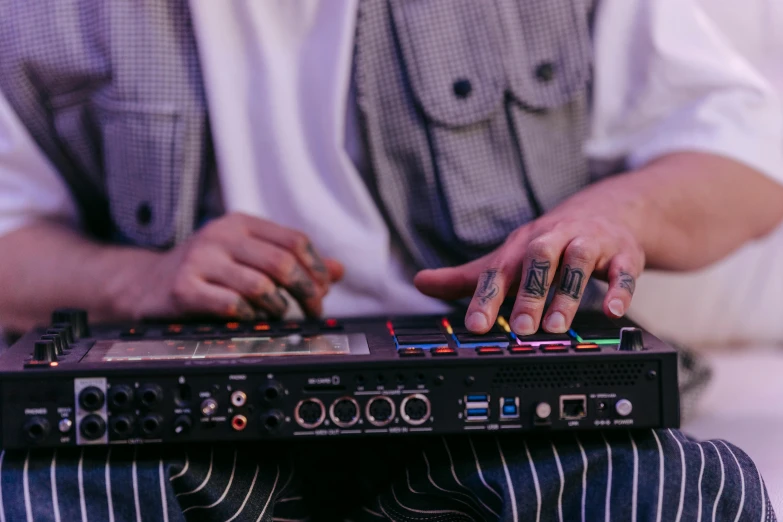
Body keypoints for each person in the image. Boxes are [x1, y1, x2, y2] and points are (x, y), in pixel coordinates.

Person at [0, 0, 780, 520]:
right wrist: (139, 279)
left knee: (683, 492)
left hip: (506, 415)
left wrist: (608, 216)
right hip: (189, 433)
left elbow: (750, 159)